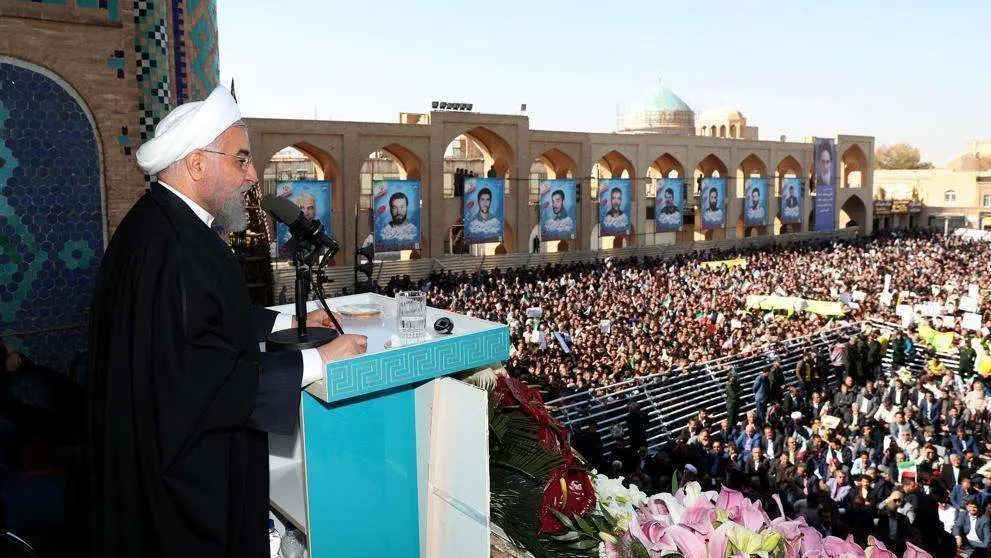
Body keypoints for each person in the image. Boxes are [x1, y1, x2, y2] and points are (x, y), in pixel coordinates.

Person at [86, 87, 369, 557]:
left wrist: (278, 325)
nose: (253, 175)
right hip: (181, 496)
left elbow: (190, 324)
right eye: (241, 160)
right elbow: (203, 381)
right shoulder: (178, 246)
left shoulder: (159, 224)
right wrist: (316, 360)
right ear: (197, 164)